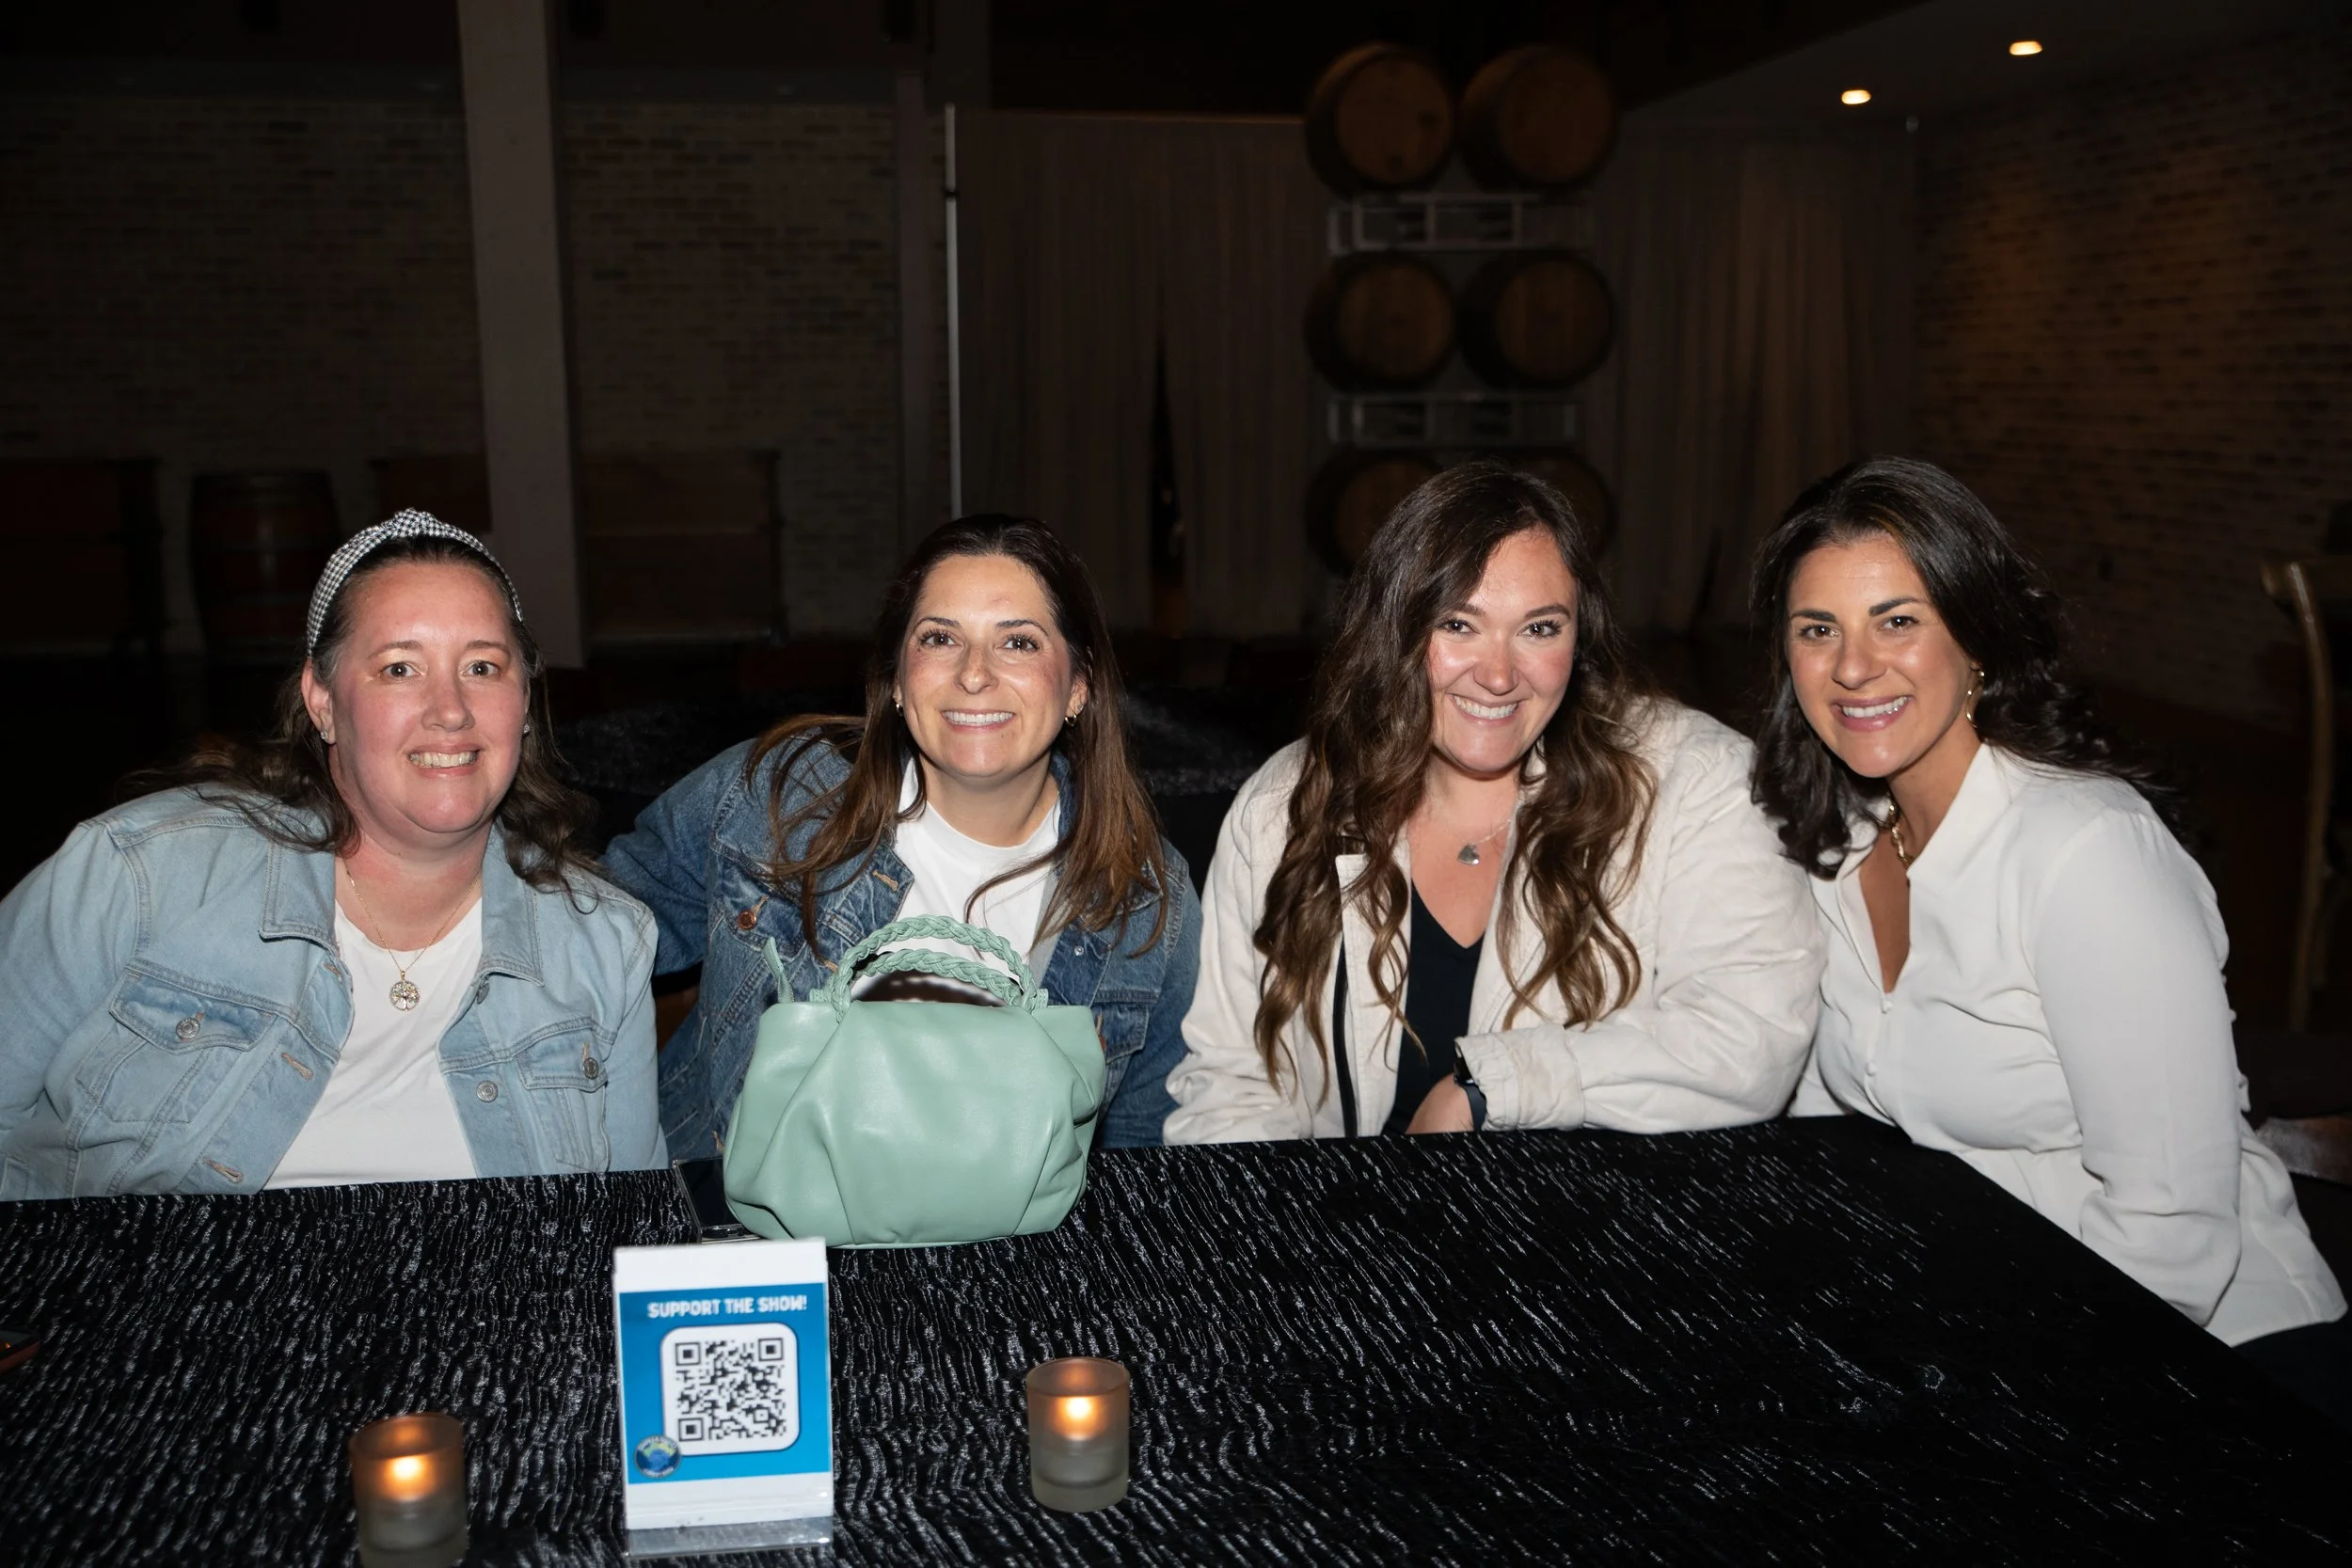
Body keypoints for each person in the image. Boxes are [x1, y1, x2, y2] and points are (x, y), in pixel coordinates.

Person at [1752, 454, 2348, 1425]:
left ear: (1977, 638)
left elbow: (2173, 1232)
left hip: (2210, 1351)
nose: (1852, 666)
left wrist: (1982, 1382)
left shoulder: (2086, 854)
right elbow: (1828, 1113)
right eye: (1816, 629)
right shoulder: (1841, 840)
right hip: (1985, 1309)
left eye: (1897, 619)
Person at [0, 511, 665, 1196]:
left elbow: (626, 1226)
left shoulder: (603, 942)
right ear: (321, 701)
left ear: (524, 701)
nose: (450, 709)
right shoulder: (140, 872)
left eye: (483, 666)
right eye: (400, 667)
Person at [1165, 462, 1822, 1144]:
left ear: (1580, 636)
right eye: (1459, 624)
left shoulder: (1696, 783)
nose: (1500, 674)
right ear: (1394, 632)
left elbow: (1752, 1039)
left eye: (1539, 629)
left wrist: (1492, 1089)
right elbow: (1233, 1081)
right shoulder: (1291, 803)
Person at [606, 515, 1200, 1158]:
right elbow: (585, 943)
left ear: (1079, 684)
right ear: (895, 676)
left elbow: (1146, 1155)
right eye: (941, 637)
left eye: (1019, 642)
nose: (975, 674)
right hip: (753, 1239)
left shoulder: (1145, 897)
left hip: (1011, 1250)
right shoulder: (778, 799)